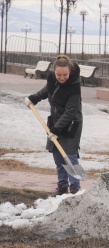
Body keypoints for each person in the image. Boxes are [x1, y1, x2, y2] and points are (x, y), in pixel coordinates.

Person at [24, 55, 83, 196]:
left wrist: (56, 129)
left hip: (71, 124)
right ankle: (62, 187)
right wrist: (34, 98)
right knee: (57, 156)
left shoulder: (74, 85)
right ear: (54, 72)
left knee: (69, 156)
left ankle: (75, 188)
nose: (62, 78)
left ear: (70, 71)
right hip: (55, 121)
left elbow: (70, 112)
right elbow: (47, 91)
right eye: (58, 75)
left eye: (65, 75)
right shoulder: (52, 79)